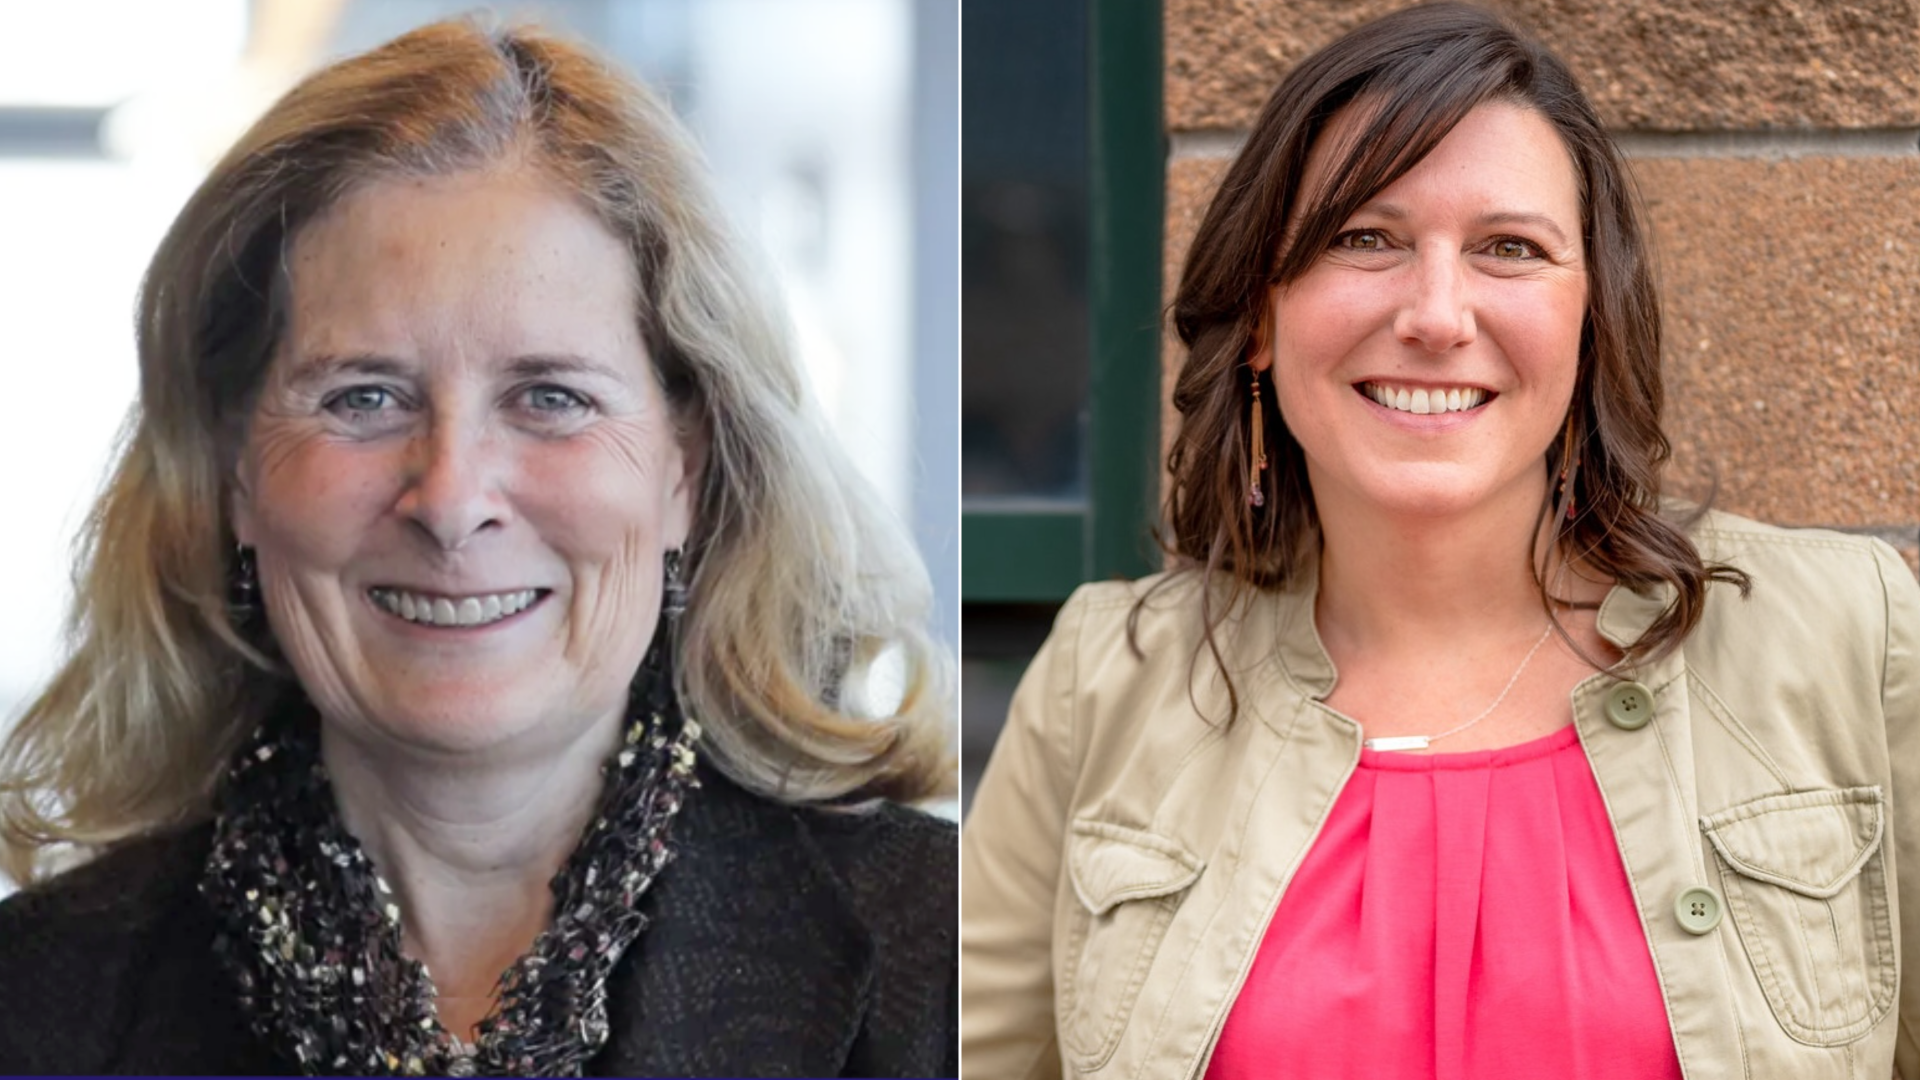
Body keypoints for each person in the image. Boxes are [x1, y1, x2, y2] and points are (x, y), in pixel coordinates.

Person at [960, 4, 1920, 1078]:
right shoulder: (1106, 681)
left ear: (1591, 315)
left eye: (1510, 249)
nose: (1437, 314)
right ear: (1263, 315)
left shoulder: (1842, 636)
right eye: (1364, 239)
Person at [0, 18, 956, 1078]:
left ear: (684, 467)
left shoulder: (953, 958)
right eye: (364, 397)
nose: (452, 501)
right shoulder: (35, 1002)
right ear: (235, 472)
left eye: (550, 397)